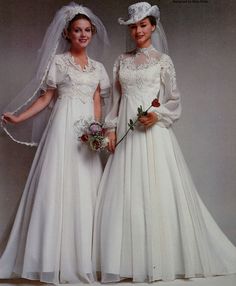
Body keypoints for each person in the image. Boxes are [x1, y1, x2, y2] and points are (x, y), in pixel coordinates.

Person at [92, 2, 236, 283]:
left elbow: (174, 99)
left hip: (152, 134)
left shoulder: (162, 61)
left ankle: (158, 260)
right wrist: (109, 131)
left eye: (143, 25)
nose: (137, 31)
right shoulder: (121, 60)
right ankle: (126, 263)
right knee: (127, 194)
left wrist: (156, 115)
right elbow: (117, 103)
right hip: (126, 134)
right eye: (133, 26)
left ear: (153, 27)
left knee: (156, 191)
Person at [0, 2, 110, 284]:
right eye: (77, 30)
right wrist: (19, 116)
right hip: (62, 130)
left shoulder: (98, 68)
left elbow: (97, 99)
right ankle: (50, 260)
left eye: (87, 30)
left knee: (86, 187)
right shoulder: (59, 63)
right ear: (67, 33)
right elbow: (46, 98)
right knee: (57, 186)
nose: (83, 35)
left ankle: (82, 260)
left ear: (92, 33)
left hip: (86, 132)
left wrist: (96, 129)